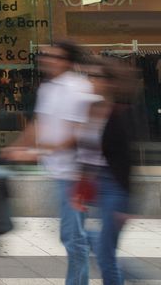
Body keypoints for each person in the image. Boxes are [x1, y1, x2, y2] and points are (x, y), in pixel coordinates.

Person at [2, 41, 98, 285]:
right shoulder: (48, 88)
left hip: (77, 173)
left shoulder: (79, 87)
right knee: (73, 234)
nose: (46, 60)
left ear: (67, 61)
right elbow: (39, 123)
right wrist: (17, 145)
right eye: (45, 56)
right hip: (59, 172)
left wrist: (36, 153)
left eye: (54, 57)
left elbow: (77, 134)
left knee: (73, 237)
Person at [75, 60, 137, 285]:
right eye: (89, 75)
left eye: (95, 76)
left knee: (105, 253)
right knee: (80, 237)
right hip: (96, 183)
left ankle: (128, 275)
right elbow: (87, 154)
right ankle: (132, 273)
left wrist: (125, 205)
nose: (90, 80)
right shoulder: (90, 110)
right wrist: (81, 187)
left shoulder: (120, 113)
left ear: (109, 82)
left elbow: (126, 161)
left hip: (115, 189)